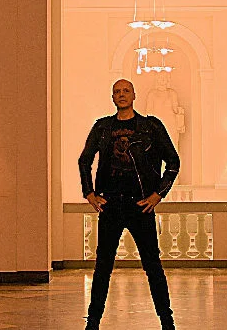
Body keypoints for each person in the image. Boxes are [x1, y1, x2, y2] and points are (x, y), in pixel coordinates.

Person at [79, 79, 180, 330]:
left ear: (134, 95)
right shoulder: (102, 127)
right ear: (112, 97)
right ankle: (93, 322)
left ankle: (167, 321)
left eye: (126, 91)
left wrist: (158, 194)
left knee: (153, 266)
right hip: (111, 204)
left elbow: (173, 162)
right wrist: (89, 193)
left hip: (140, 205)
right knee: (103, 266)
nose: (122, 95)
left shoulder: (150, 127)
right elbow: (85, 160)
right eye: (117, 91)